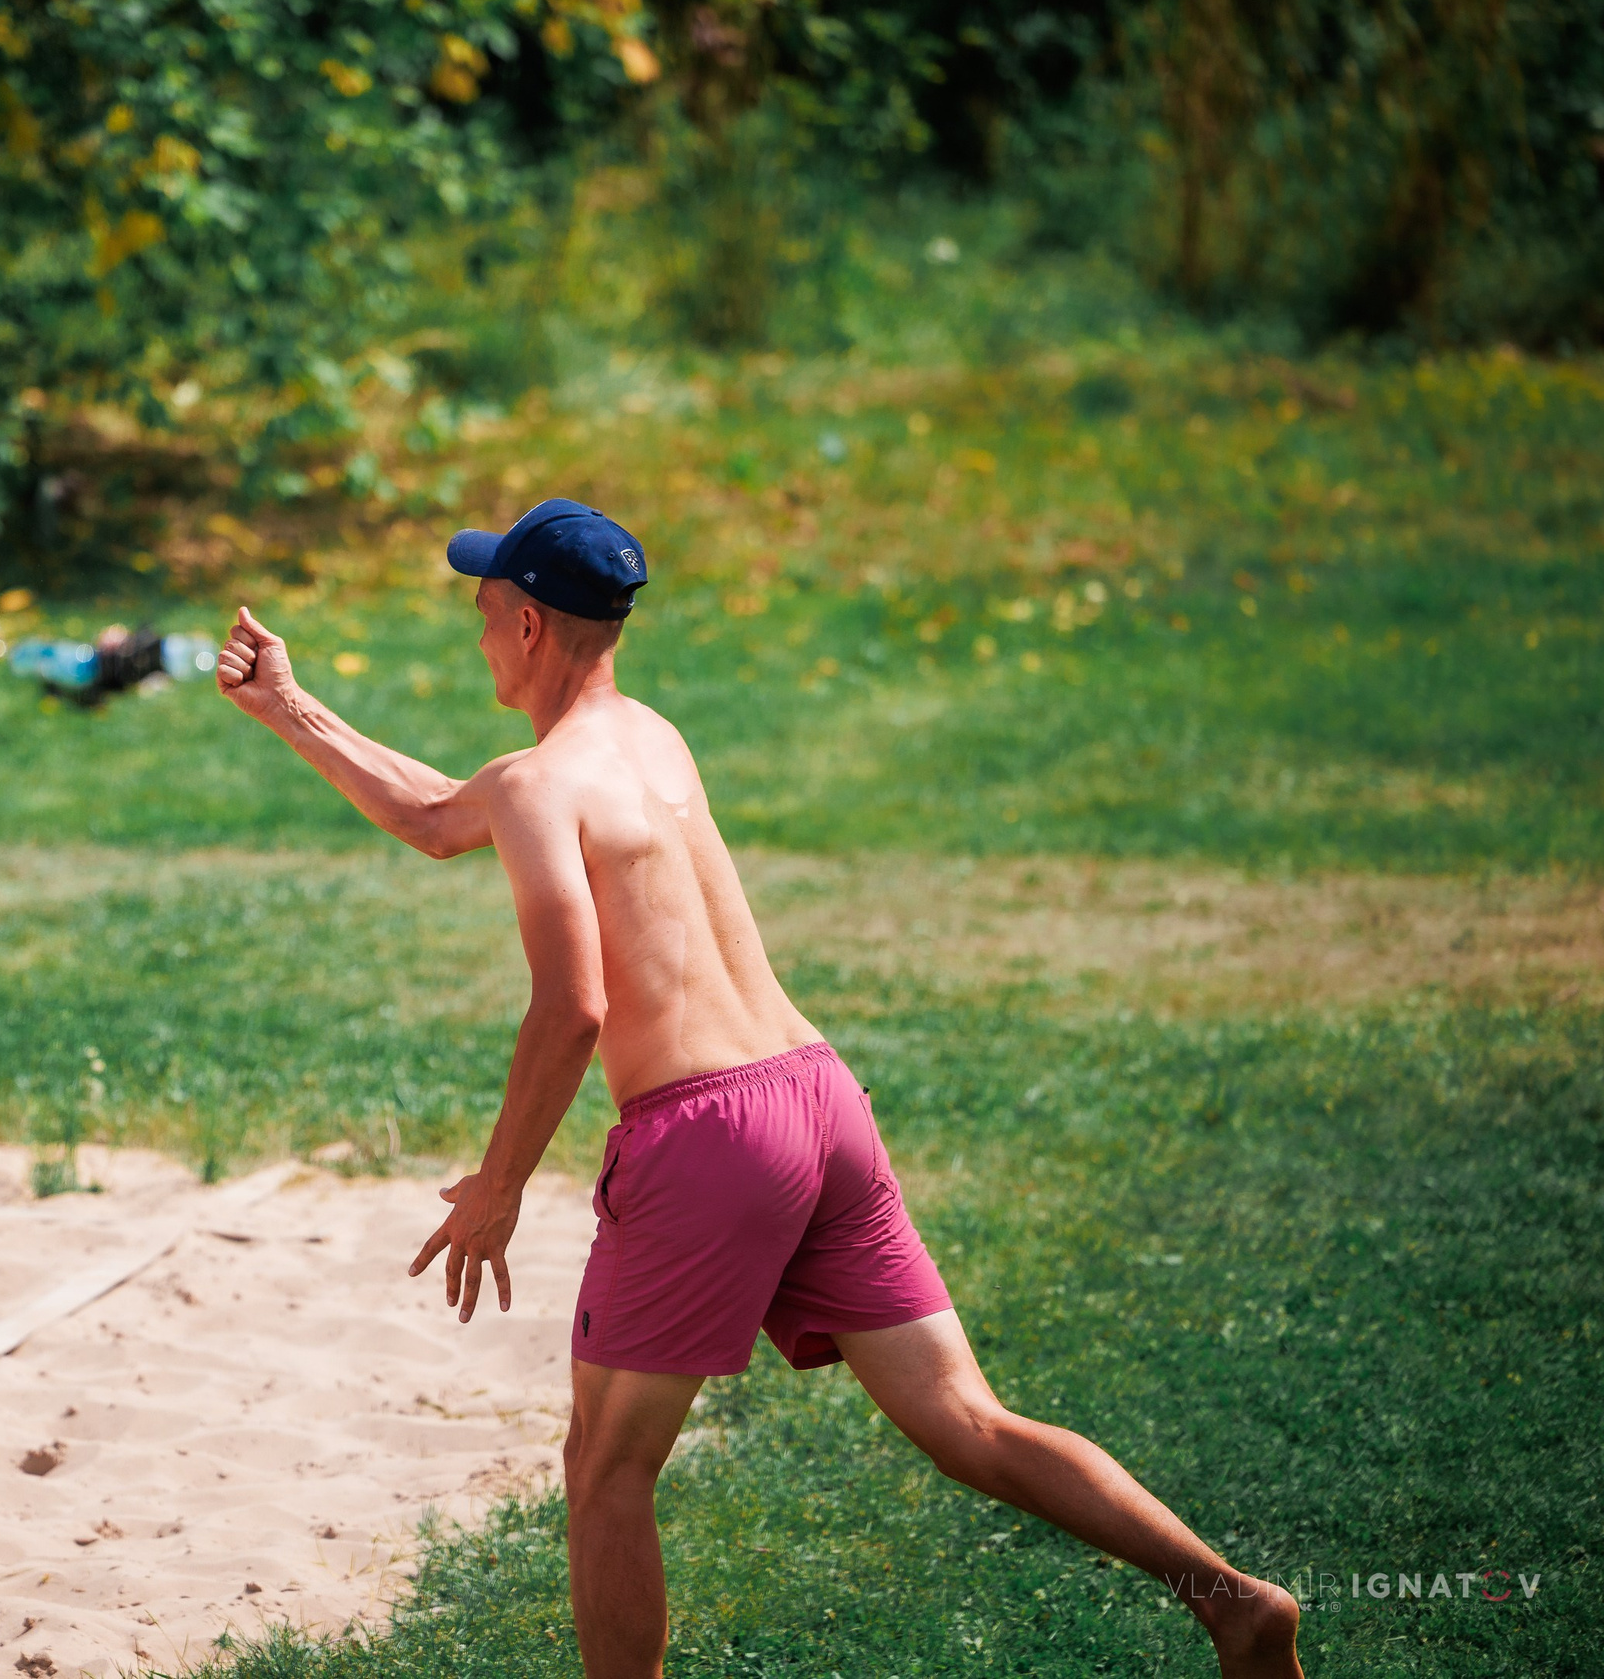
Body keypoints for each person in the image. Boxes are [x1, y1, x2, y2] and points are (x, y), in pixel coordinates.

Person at [214, 498, 1303, 1679]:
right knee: (968, 1423)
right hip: (817, 1099)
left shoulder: (538, 784)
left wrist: (497, 1187)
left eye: (484, 615)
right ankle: (1232, 1601)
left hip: (707, 1141)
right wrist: (287, 704)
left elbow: (572, 1006)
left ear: (527, 624)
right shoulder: (649, 739)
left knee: (605, 1471)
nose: (477, 638)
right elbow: (435, 817)